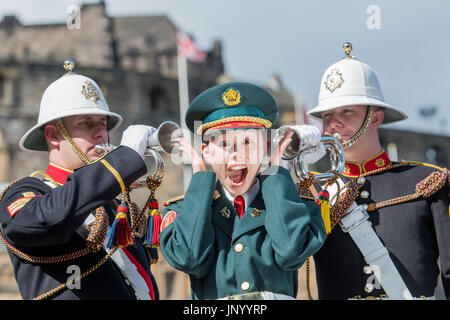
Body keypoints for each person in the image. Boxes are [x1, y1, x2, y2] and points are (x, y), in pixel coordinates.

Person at [301, 43, 449, 300]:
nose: (334, 123)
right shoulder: (314, 192)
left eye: (346, 112)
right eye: (327, 115)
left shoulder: (427, 182)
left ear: (376, 118)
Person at [0, 60, 159, 300]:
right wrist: (123, 159)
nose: (101, 133)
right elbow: (48, 220)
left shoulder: (113, 205)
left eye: (103, 125)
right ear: (54, 135)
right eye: (87, 124)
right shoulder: (27, 192)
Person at [159, 82, 326, 300]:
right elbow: (189, 259)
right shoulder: (184, 210)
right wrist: (200, 178)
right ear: (206, 151)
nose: (235, 154)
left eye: (247, 142)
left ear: (264, 148)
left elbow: (291, 252)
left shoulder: (293, 204)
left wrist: (276, 174)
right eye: (224, 144)